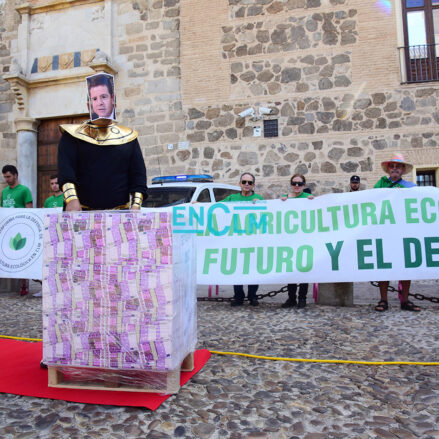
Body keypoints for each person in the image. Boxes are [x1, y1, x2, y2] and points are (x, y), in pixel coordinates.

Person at [58, 73, 147, 212]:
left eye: (104, 97)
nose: (100, 102)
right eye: (95, 98)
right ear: (89, 105)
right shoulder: (72, 136)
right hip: (82, 213)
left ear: (113, 101)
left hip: (119, 214)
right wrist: (71, 199)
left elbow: (138, 176)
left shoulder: (129, 137)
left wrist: (136, 205)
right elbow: (66, 171)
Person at [373, 154, 420, 312]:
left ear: (403, 170)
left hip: (404, 231)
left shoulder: (412, 187)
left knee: (405, 266)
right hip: (385, 231)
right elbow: (371, 201)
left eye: (397, 166)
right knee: (384, 265)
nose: (394, 169)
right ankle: (383, 300)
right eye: (392, 166)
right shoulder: (380, 185)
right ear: (388, 169)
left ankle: (405, 300)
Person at [222, 172, 264, 307]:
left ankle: (253, 296)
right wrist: (198, 204)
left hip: (253, 241)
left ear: (253, 185)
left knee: (253, 269)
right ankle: (238, 296)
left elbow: (269, 214)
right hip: (236, 241)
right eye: (244, 182)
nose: (247, 184)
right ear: (240, 183)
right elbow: (215, 208)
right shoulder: (231, 198)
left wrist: (260, 205)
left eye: (250, 183)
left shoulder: (259, 198)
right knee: (237, 268)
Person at [280, 174, 314, 309]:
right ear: (291, 184)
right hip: (290, 240)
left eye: (300, 184)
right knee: (291, 270)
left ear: (304, 186)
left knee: (304, 270)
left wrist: (314, 202)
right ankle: (291, 298)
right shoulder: (286, 199)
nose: (297, 186)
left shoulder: (308, 198)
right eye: (294, 183)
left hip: (305, 239)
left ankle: (302, 298)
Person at [1, 165, 33, 296]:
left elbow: (29, 209)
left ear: (15, 175)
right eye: (4, 177)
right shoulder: (4, 192)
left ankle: (23, 284)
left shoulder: (25, 190)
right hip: (7, 228)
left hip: (20, 228)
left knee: (22, 255)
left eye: (8, 176)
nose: (6, 179)